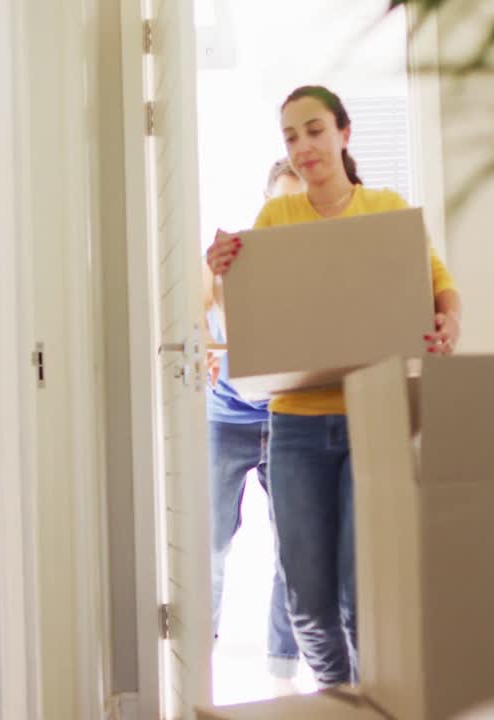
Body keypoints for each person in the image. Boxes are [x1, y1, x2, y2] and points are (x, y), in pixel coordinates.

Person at [205, 86, 462, 687]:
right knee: (307, 599)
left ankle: (371, 699)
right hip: (293, 424)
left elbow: (439, 284)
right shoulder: (276, 217)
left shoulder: (385, 207)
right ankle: (338, 698)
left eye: (314, 130)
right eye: (290, 136)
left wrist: (449, 321)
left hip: (373, 415)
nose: (302, 147)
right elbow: (245, 312)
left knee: (358, 592)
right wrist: (223, 274)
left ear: (344, 134)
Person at [203, 159, 306, 683]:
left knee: (293, 542)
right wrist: (202, 337)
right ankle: (200, 653)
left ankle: (282, 665)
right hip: (228, 416)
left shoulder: (316, 267)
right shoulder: (231, 258)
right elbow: (200, 302)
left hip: (289, 415)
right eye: (280, 203)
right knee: (211, 540)